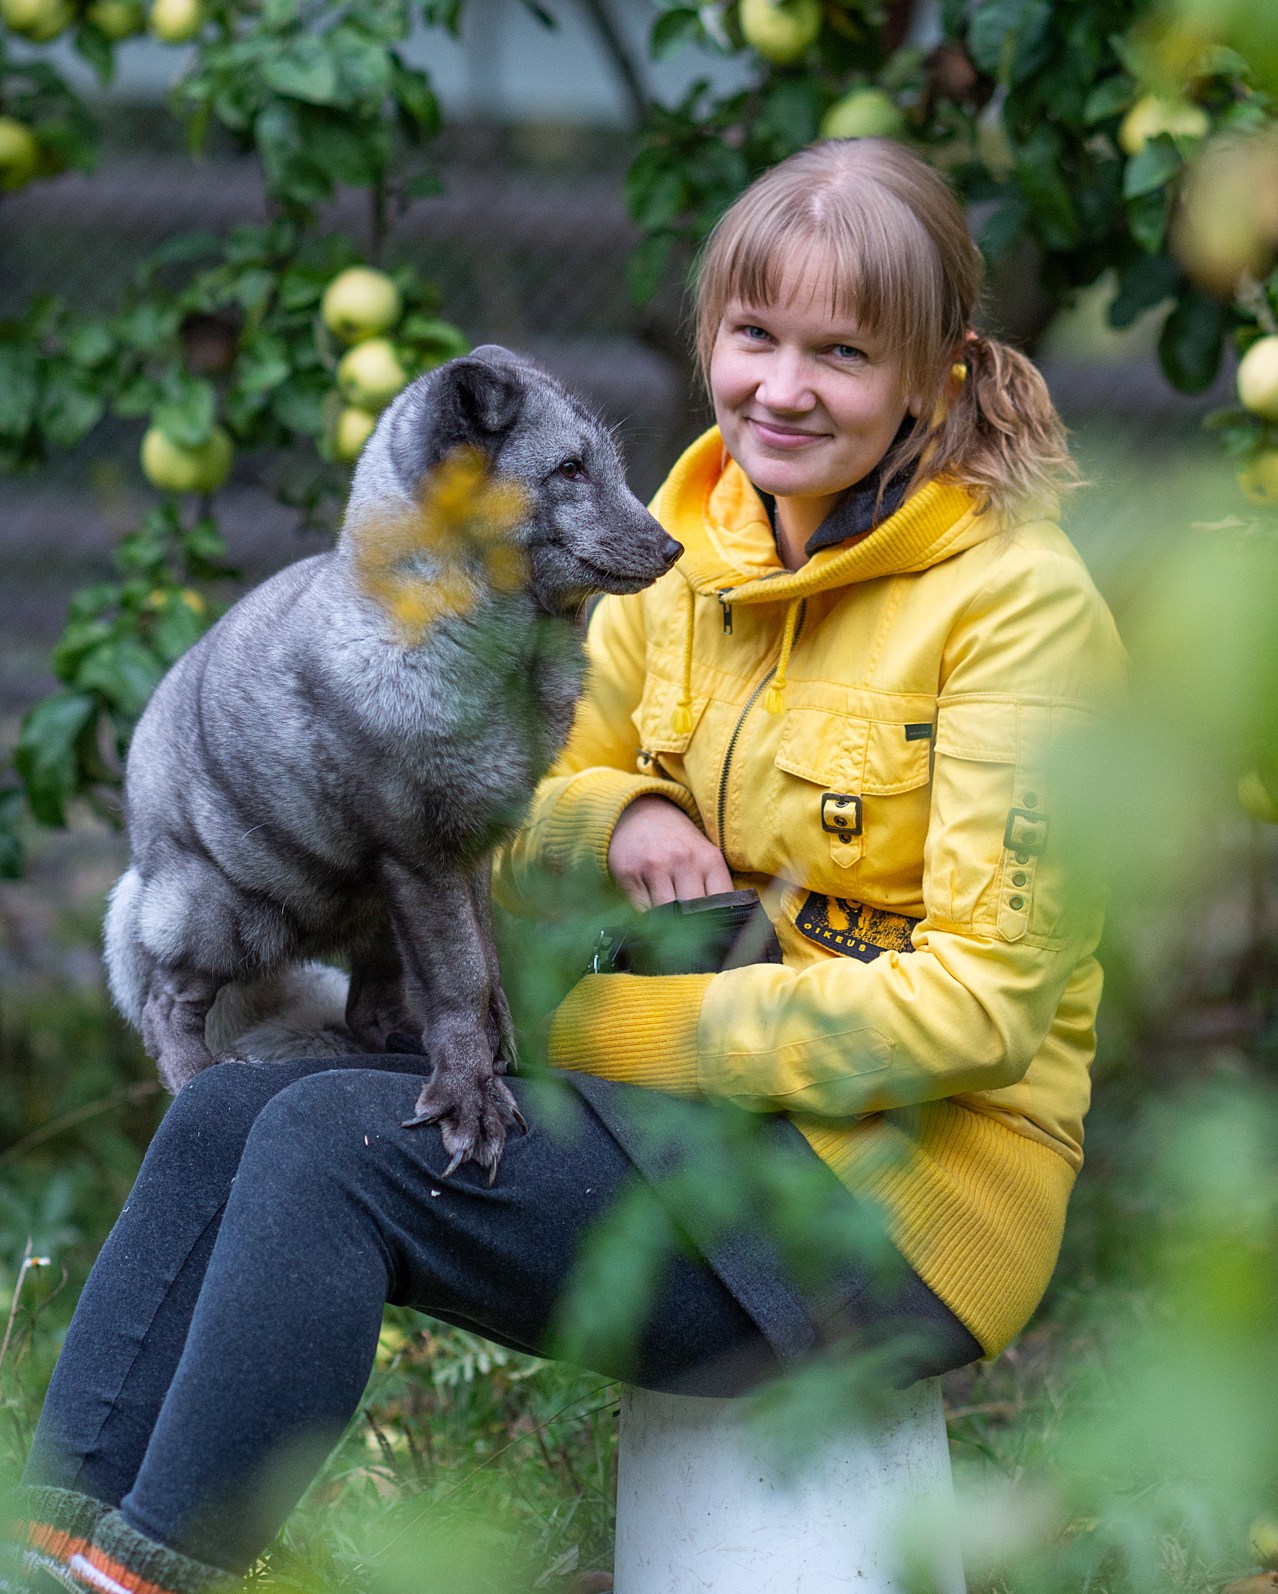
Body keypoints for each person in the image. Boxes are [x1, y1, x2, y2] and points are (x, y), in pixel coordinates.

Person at [10, 138, 1123, 1594]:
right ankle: (51, 1550)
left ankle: (150, 1576)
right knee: (234, 1105)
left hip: (893, 1211)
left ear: (935, 373)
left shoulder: (1018, 612)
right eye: (754, 335)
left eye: (842, 353)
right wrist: (616, 817)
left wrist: (610, 1028)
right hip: (678, 1135)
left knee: (331, 1152)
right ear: (708, 335)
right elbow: (493, 815)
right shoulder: (685, 546)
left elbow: (980, 1010)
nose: (782, 388)